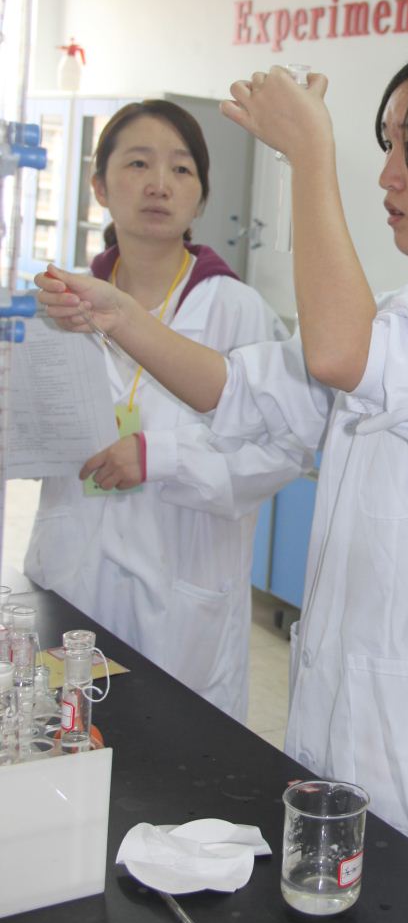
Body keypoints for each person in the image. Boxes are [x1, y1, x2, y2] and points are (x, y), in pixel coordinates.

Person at [36, 46, 408, 906]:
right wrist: (118, 314)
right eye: (385, 145)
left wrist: (309, 155)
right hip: (340, 705)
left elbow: (341, 354)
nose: (388, 175)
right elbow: (243, 388)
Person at [26, 100, 310, 723]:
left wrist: (162, 457)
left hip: (182, 603)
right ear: (100, 186)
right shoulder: (61, 306)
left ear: (201, 197)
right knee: (63, 749)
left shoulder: (236, 311)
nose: (160, 184)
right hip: (72, 579)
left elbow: (281, 447)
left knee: (171, 754)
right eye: (138, 163)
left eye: (182, 169)